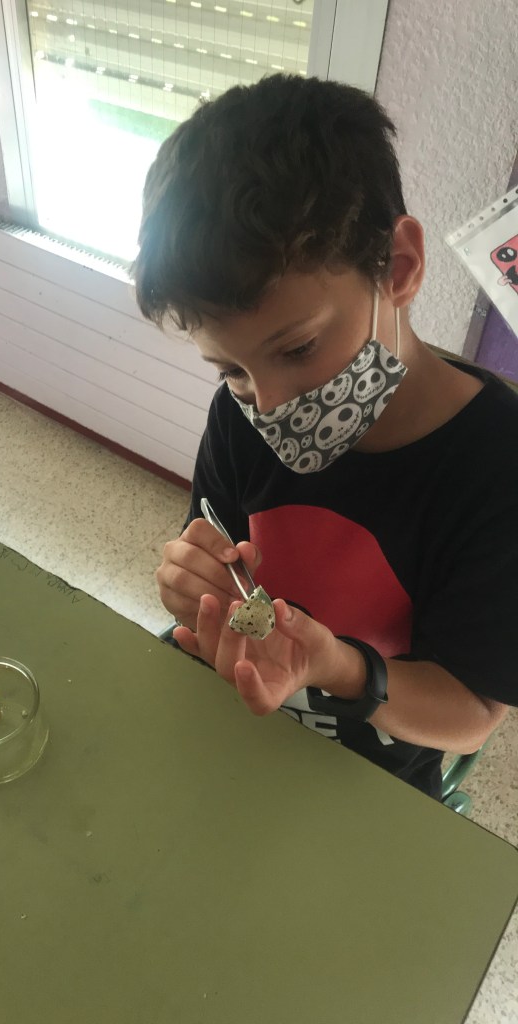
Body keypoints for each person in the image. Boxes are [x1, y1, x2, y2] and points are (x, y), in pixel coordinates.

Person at [132, 73, 518, 799]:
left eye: (299, 348)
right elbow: (216, 555)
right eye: (231, 369)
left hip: (367, 769)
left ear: (398, 268)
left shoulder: (498, 470)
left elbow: (470, 714)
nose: (270, 405)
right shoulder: (239, 414)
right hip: (225, 714)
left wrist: (339, 667)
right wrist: (193, 583)